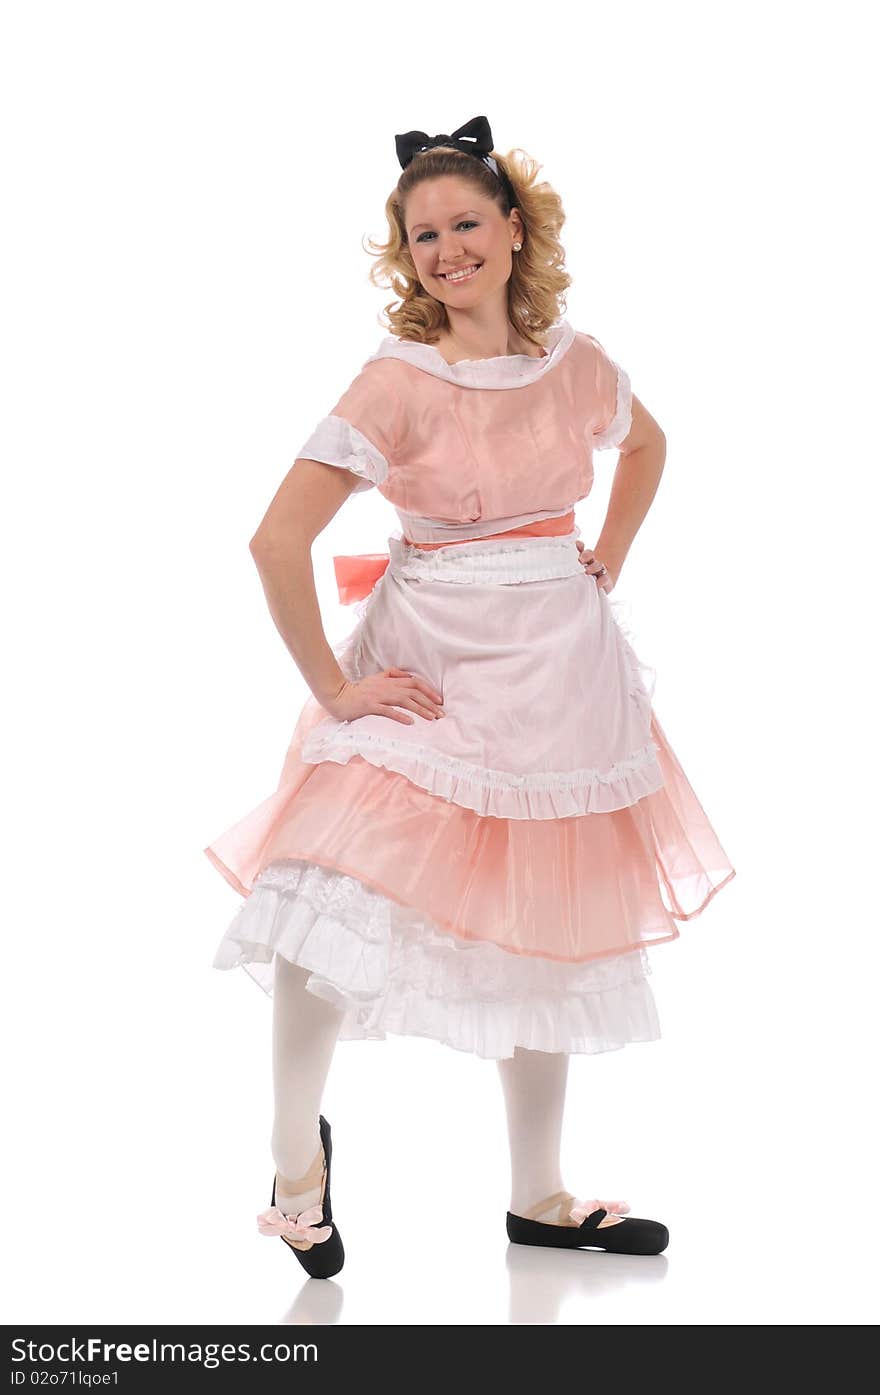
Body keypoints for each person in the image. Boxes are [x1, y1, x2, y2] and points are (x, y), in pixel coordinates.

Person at [203, 115, 736, 1278]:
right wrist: (337, 692)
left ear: (512, 228)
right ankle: (297, 1165)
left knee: (543, 922)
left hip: (560, 673)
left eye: (465, 222)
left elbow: (646, 447)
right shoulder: (397, 383)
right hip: (432, 670)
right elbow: (273, 541)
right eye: (422, 233)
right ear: (408, 255)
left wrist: (611, 556)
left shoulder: (577, 363)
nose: (447, 248)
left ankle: (538, 1195)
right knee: (316, 893)